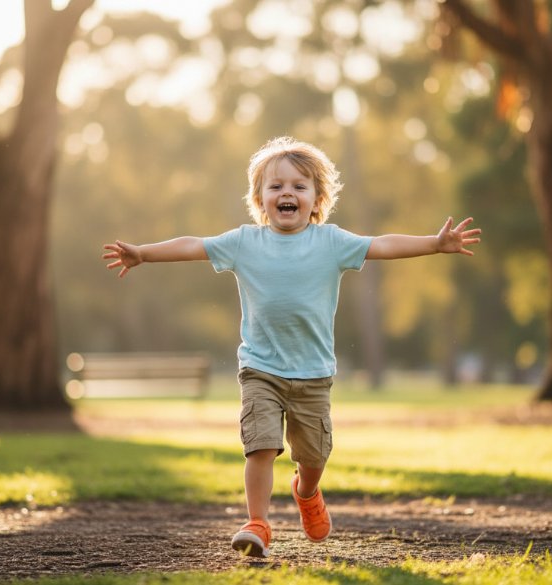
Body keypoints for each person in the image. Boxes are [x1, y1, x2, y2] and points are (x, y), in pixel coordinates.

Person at [103, 136, 481, 558]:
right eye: (276, 186)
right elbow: (194, 245)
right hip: (260, 368)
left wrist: (434, 243)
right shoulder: (244, 242)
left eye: (299, 187)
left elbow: (382, 244)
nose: (287, 193)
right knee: (260, 446)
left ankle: (307, 492)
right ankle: (258, 523)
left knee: (313, 457)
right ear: (260, 198)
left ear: (317, 198)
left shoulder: (332, 242)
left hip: (313, 374)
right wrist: (143, 254)